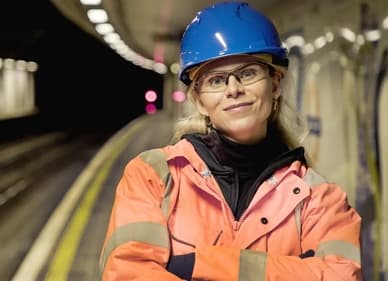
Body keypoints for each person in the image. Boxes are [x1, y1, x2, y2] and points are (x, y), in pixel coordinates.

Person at [99, 1, 363, 280]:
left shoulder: (321, 199)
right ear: (199, 100)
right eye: (216, 80)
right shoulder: (153, 177)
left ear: (275, 84)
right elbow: (127, 272)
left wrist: (198, 266)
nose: (233, 89)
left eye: (248, 73)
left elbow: (342, 275)